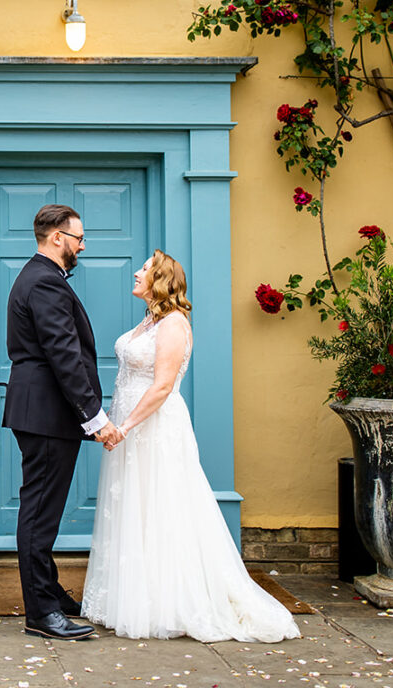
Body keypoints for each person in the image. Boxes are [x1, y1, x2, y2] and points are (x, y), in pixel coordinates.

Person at [81, 249, 299, 642]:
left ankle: (172, 603)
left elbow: (163, 385)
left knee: (165, 508)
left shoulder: (174, 324)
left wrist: (125, 426)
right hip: (131, 429)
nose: (136, 272)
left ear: (161, 280)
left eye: (144, 269)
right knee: (137, 508)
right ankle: (137, 598)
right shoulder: (149, 322)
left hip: (154, 428)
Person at [4, 204, 123, 641]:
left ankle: (48, 592)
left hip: (42, 411)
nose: (82, 246)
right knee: (39, 514)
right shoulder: (44, 282)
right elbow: (64, 356)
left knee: (42, 510)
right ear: (57, 237)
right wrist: (95, 417)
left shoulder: (40, 278)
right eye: (78, 238)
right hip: (47, 413)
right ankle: (41, 612)